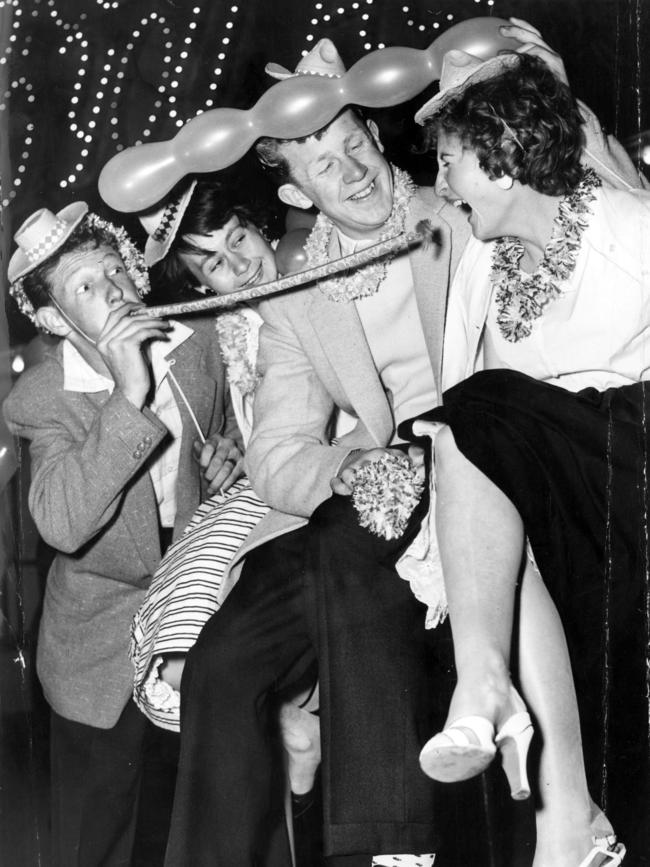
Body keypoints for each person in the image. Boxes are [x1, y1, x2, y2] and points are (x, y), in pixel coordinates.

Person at [163, 23, 643, 867]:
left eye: (352, 145)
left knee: (354, 548)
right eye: (322, 166)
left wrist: (561, 95)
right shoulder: (291, 299)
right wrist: (353, 466)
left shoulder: (456, 203)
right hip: (366, 482)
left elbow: (576, 194)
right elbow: (278, 454)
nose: (347, 171)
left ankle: (386, 844)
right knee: (222, 658)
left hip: (483, 451)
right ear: (297, 195)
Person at [401, 50, 650, 867]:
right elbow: (458, 423)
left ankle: (495, 702)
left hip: (633, 468)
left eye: (449, 163)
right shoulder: (479, 263)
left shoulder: (632, 232)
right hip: (559, 498)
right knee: (474, 425)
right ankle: (560, 806)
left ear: (502, 154)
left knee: (483, 411)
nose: (442, 188)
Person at [2, 202, 241, 867]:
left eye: (114, 270)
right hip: (98, 654)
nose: (111, 289)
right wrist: (127, 389)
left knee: (194, 832)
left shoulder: (197, 348)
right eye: (85, 285)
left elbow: (236, 434)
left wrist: (230, 456)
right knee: (97, 843)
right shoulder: (42, 398)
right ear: (53, 319)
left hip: (200, 623)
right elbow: (60, 520)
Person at [131, 178, 322, 812]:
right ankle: (282, 718)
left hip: (323, 483)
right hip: (264, 489)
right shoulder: (231, 329)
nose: (239, 263)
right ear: (198, 285)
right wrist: (237, 450)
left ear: (262, 226)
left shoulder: (321, 273)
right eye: (214, 262)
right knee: (172, 654)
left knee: (215, 648)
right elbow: (255, 424)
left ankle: (284, 712)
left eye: (239, 238)